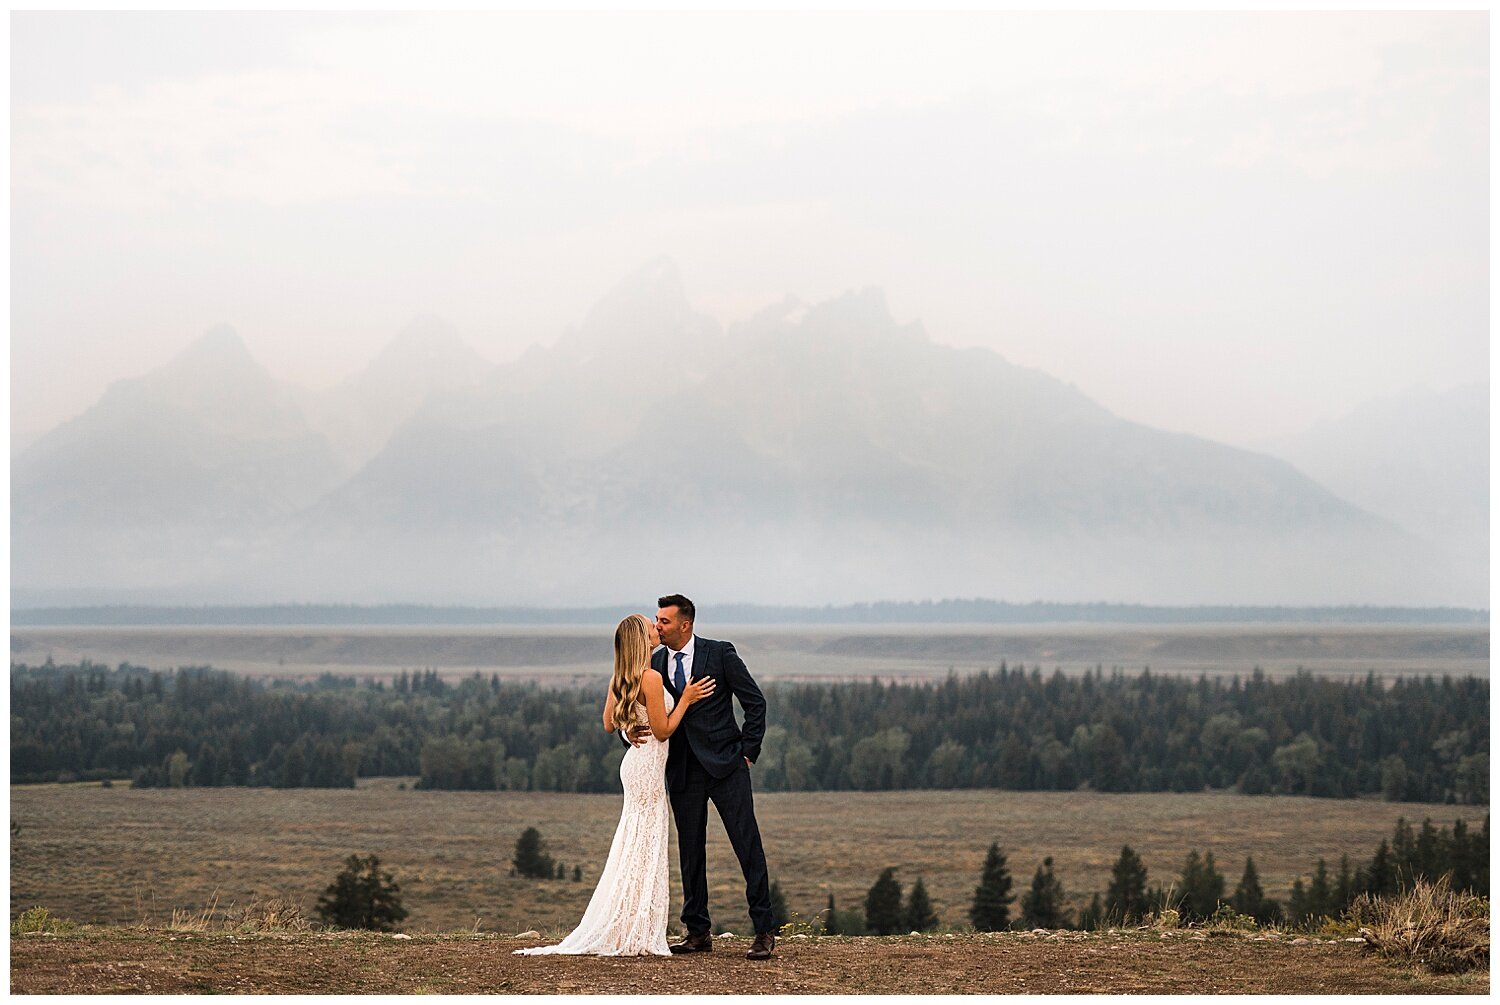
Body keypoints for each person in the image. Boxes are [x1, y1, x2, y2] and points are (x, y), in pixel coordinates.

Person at [514, 613, 713, 956]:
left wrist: (627, 729)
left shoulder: (621, 677)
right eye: (650, 627)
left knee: (634, 840)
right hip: (648, 767)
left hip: (634, 765)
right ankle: (634, 927)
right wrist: (686, 700)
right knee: (646, 841)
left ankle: (626, 922)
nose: (656, 629)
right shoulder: (649, 677)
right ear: (641, 639)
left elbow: (609, 723)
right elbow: (664, 730)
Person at [628, 593, 777, 961]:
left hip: (728, 767)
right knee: (690, 853)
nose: (657, 625)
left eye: (664, 621)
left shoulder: (720, 653)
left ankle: (763, 932)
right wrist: (627, 733)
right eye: (657, 621)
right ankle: (697, 932)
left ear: (685, 624)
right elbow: (631, 707)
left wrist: (748, 753)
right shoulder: (655, 663)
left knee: (748, 848)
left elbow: (755, 702)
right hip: (682, 770)